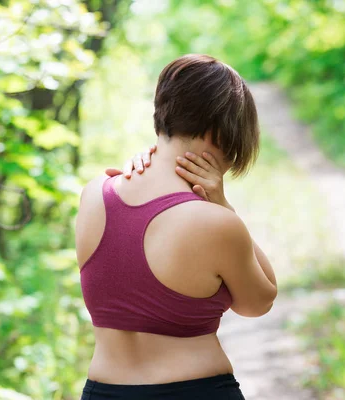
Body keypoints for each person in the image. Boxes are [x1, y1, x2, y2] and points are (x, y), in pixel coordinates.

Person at [75, 54, 278, 400]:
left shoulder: (95, 194)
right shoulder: (215, 222)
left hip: (102, 391)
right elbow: (260, 300)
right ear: (224, 131)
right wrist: (224, 206)